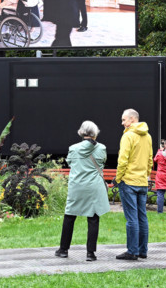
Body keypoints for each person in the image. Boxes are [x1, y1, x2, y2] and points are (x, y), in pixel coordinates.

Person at [56, 120, 110, 261]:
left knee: (69, 216)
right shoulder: (102, 148)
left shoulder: (73, 148)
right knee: (93, 218)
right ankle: (90, 253)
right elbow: (102, 162)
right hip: (94, 187)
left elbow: (70, 162)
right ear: (95, 133)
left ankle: (63, 250)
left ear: (81, 132)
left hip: (77, 186)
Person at [115, 108, 153, 261]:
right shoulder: (148, 136)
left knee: (132, 218)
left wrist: (118, 178)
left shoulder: (128, 136)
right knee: (142, 217)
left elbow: (122, 160)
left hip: (129, 181)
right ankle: (143, 250)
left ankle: (132, 251)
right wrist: (145, 175)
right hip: (142, 182)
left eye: (124, 120)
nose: (122, 123)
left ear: (132, 119)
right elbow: (150, 160)